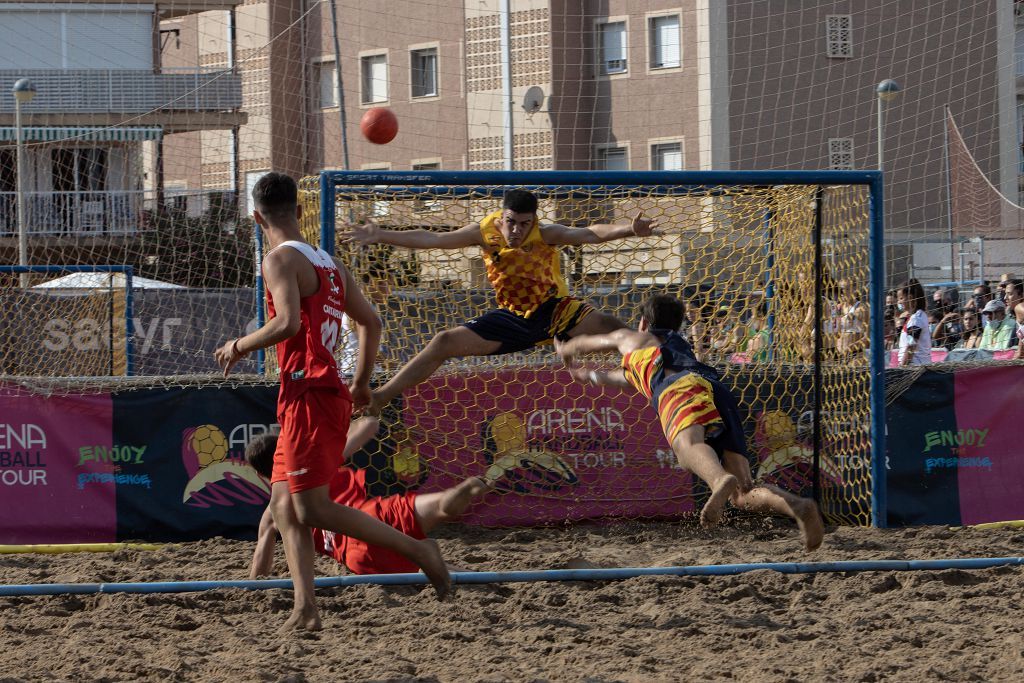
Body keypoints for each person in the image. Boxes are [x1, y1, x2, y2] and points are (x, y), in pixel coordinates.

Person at [213, 172, 450, 631]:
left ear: (256, 217)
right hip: (321, 391)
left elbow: (286, 324)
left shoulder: (278, 259)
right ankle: (306, 607)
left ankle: (418, 549)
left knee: (312, 508)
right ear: (299, 212)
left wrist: (238, 346)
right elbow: (372, 323)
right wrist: (361, 383)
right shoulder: (328, 262)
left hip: (310, 391)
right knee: (283, 506)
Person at [339, 189, 659, 413]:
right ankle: (380, 398)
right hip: (514, 317)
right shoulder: (483, 231)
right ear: (501, 217)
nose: (516, 230)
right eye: (511, 221)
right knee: (443, 341)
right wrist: (380, 234)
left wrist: (629, 229)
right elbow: (433, 239)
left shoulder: (545, 233)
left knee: (614, 328)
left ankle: (653, 367)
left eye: (524, 223)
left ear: (533, 221)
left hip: (555, 310)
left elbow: (590, 232)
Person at [553, 294, 824, 551]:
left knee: (686, 448)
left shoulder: (632, 337)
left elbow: (586, 343)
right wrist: (585, 375)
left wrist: (566, 348)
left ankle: (718, 478)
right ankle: (798, 506)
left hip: (680, 388)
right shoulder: (666, 351)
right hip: (716, 389)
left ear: (644, 322)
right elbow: (617, 379)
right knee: (743, 494)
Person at [246, 421, 494, 578]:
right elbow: (368, 427)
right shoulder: (318, 465)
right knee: (438, 507)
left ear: (260, 474)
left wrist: (255, 579)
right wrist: (366, 408)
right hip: (375, 514)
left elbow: (260, 569)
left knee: (422, 567)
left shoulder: (275, 509)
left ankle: (476, 578)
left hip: (355, 550)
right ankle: (453, 497)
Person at [896, 279, 931, 366]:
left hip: (914, 367)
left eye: (901, 298)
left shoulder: (916, 319)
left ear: (910, 298)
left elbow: (911, 346)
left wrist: (902, 366)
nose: (899, 302)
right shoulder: (916, 316)